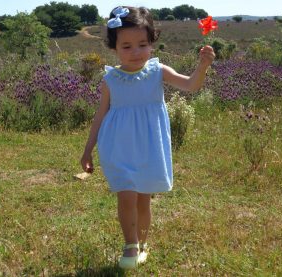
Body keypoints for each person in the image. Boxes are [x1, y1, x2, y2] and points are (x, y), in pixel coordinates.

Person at [80, 6, 215, 269]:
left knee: (143, 199)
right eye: (127, 46)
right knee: (126, 194)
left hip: (149, 147)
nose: (136, 52)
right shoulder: (111, 79)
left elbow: (190, 85)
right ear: (114, 48)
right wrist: (87, 151)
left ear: (152, 43)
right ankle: (130, 245)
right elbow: (100, 116)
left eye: (142, 44)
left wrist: (202, 66)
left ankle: (142, 244)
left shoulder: (157, 71)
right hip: (118, 147)